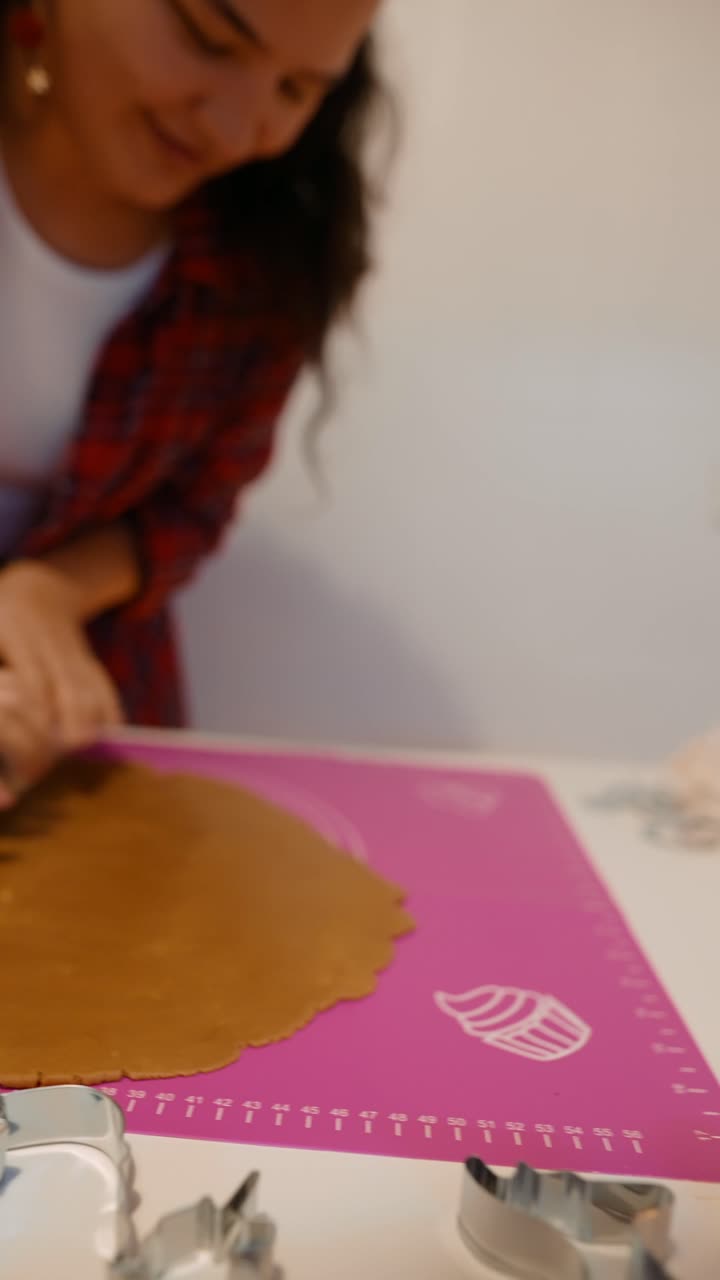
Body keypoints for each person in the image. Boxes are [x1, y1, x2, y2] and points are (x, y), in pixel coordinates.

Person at [0, 0, 382, 807]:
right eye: (208, 40)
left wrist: (51, 592)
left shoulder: (269, 254)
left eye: (296, 90)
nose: (236, 132)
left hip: (80, 746)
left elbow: (189, 509)